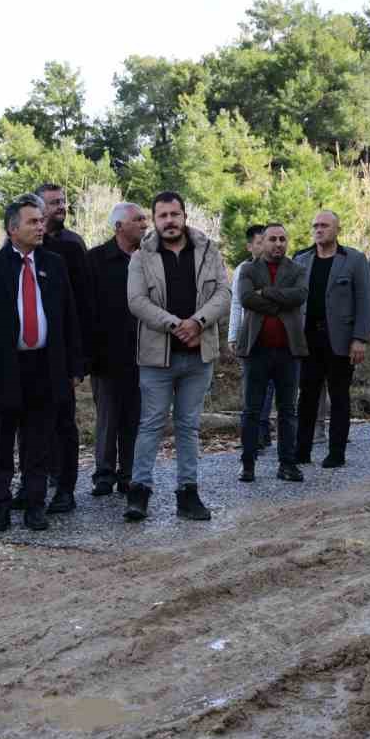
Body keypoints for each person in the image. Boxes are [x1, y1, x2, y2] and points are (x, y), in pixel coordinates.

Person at [0, 194, 83, 531]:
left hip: (46, 368)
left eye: (42, 221)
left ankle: (35, 506)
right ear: (12, 228)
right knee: (2, 445)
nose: (41, 226)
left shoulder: (54, 264)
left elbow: (68, 318)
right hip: (5, 370)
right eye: (33, 222)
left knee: (39, 444)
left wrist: (74, 366)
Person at [124, 190, 231, 522]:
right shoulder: (141, 256)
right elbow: (136, 301)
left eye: (174, 214)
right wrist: (174, 324)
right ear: (154, 220)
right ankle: (139, 493)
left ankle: (188, 495)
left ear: (184, 216)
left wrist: (198, 322)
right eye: (162, 216)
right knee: (151, 424)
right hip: (158, 357)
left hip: (199, 357)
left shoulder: (208, 250)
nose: (169, 221)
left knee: (188, 426)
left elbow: (224, 293)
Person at [28, 183, 94, 516]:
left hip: (63, 351)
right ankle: (35, 484)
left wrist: (79, 359)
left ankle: (65, 488)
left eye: (63, 202)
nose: (61, 207)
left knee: (63, 422)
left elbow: (83, 303)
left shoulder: (71, 246)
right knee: (33, 424)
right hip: (30, 352)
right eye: (54, 203)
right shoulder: (24, 247)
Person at [293, 210, 370, 467]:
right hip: (308, 339)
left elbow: (364, 301)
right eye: (315, 225)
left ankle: (336, 452)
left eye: (324, 225)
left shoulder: (354, 260)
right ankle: (301, 450)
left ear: (337, 229)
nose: (319, 229)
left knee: (339, 396)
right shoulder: (301, 260)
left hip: (340, 340)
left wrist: (359, 338)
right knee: (307, 396)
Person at [233, 223, 307, 483]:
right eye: (272, 239)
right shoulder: (248, 269)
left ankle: (287, 464)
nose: (278, 244)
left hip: (289, 351)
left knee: (288, 410)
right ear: (262, 242)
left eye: (282, 239)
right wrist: (279, 303)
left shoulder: (297, 269)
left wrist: (265, 293)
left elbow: (299, 295)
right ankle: (248, 464)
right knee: (252, 410)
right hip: (257, 351)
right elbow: (246, 299)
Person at [87, 202, 147, 497]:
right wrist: (88, 355)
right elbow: (86, 308)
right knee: (108, 417)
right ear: (119, 226)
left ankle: (129, 474)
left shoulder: (150, 259)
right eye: (138, 220)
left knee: (135, 416)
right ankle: (104, 475)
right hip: (106, 355)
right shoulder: (95, 259)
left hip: (144, 354)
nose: (145, 224)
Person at [228, 223, 275, 450]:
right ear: (250, 246)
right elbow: (237, 304)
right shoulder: (242, 270)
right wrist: (233, 335)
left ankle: (262, 430)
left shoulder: (282, 268)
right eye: (260, 242)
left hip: (276, 335)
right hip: (250, 333)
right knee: (253, 385)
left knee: (271, 386)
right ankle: (255, 432)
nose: (266, 245)